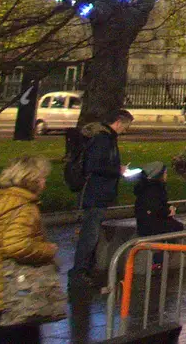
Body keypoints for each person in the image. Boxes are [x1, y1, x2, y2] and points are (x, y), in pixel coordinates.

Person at [0, 156, 58, 344]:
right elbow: (16, 245)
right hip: (11, 302)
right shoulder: (23, 207)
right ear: (30, 179)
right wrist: (47, 249)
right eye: (42, 177)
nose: (44, 182)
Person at [69, 109, 133, 290]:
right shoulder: (103, 139)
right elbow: (95, 165)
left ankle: (84, 270)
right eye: (126, 126)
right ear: (119, 122)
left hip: (97, 192)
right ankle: (79, 273)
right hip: (95, 193)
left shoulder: (105, 138)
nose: (126, 130)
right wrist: (117, 170)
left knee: (91, 232)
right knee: (90, 234)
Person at [132, 162, 184, 237]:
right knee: (177, 227)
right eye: (165, 173)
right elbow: (155, 208)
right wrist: (168, 211)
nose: (166, 175)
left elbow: (159, 204)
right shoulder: (152, 189)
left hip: (148, 223)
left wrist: (169, 207)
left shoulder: (151, 187)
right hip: (150, 226)